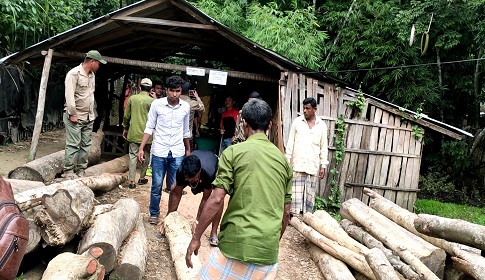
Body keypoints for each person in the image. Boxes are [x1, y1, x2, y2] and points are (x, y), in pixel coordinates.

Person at [186, 99, 292, 279]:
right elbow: (286, 212)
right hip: (268, 254)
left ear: (244, 124)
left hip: (235, 245)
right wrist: (270, 244)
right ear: (270, 125)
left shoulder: (233, 153)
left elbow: (217, 199)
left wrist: (196, 237)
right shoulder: (283, 161)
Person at [137, 76, 191, 225]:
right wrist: (141, 148)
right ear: (166, 90)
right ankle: (154, 213)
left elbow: (186, 130)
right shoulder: (157, 105)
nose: (174, 94)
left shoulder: (185, 107)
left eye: (178, 91)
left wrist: (188, 150)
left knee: (175, 187)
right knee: (156, 185)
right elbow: (149, 126)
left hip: (177, 151)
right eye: (172, 91)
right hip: (159, 150)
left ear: (181, 91)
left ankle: (171, 215)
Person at [63, 50, 106, 179]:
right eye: (98, 63)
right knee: (73, 144)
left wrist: (92, 114)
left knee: (86, 144)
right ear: (92, 62)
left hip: (88, 116)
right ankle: (68, 171)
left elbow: (90, 95)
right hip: (75, 116)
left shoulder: (92, 75)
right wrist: (73, 113)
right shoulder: (73, 74)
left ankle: (81, 169)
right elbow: (69, 96)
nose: (99, 66)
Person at [166, 150, 221, 246]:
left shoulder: (209, 173)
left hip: (212, 164)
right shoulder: (181, 171)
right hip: (195, 162)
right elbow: (177, 194)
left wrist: (197, 221)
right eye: (188, 179)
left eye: (193, 178)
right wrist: (168, 220)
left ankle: (214, 232)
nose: (190, 180)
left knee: (218, 199)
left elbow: (205, 200)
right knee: (174, 189)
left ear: (199, 172)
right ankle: (168, 216)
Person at [285, 97, 329, 216]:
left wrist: (323, 165)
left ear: (314, 109)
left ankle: (306, 220)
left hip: (312, 166)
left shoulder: (322, 126)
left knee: (309, 197)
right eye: (304, 108)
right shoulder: (297, 122)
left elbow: (323, 147)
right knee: (294, 196)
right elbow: (290, 143)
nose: (305, 111)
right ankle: (291, 219)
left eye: (308, 108)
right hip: (297, 165)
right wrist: (288, 161)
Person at [123, 78, 154, 189]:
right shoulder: (152, 101)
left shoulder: (132, 98)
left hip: (134, 132)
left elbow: (126, 116)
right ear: (150, 89)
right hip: (148, 135)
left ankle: (132, 181)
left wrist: (125, 127)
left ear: (140, 87)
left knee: (132, 156)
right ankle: (142, 178)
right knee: (146, 155)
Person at [179, 82, 205, 152]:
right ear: (189, 92)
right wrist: (197, 97)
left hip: (175, 135)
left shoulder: (174, 101)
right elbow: (202, 108)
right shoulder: (193, 103)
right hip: (187, 136)